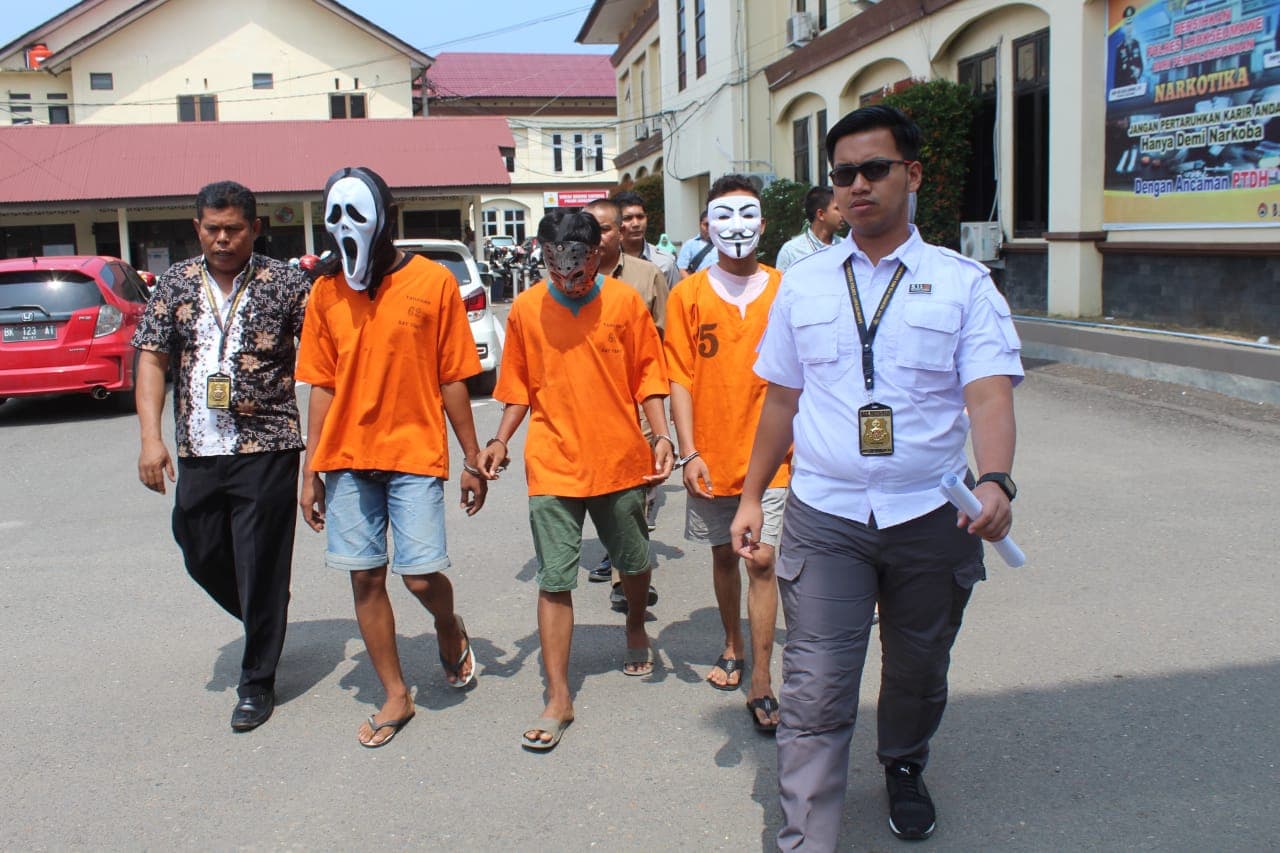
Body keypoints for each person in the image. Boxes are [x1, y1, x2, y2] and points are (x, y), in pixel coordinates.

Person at [729, 105, 1023, 847]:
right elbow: (782, 400)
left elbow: (988, 393)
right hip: (827, 514)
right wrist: (749, 495)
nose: (857, 186)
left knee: (918, 670)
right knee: (817, 685)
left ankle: (902, 763)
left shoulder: (962, 284)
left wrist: (996, 481)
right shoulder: (804, 285)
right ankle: (808, 837)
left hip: (933, 513)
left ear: (912, 174)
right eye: (842, 175)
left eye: (874, 169)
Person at [296, 166, 488, 748]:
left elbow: (454, 375)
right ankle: (396, 695)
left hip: (414, 451)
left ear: (385, 215)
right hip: (349, 458)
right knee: (365, 577)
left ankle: (449, 629)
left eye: (358, 212)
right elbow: (322, 385)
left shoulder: (432, 283)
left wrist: (473, 457)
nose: (345, 227)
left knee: (423, 577)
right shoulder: (326, 290)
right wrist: (311, 473)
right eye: (335, 215)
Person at [476, 209, 674, 752]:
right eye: (556, 266)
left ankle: (635, 623)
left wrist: (661, 437)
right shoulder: (525, 309)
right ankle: (558, 696)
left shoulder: (625, 303)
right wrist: (499, 441)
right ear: (542, 257)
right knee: (554, 576)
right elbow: (517, 384)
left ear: (597, 255)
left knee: (633, 563)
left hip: (617, 460)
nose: (570, 278)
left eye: (580, 266)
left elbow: (648, 378)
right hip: (554, 462)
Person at [133, 180, 310, 732]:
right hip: (199, 446)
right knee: (199, 545)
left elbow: (326, 358)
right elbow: (153, 360)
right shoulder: (175, 284)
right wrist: (150, 438)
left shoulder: (286, 284)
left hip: (268, 446)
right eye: (212, 229)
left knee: (259, 561)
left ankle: (256, 682)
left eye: (234, 229)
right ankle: (266, 615)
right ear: (197, 229)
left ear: (255, 229)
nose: (222, 239)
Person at [664, 174, 787, 733]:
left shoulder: (788, 289)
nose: (736, 226)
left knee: (761, 560)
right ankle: (733, 642)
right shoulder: (687, 294)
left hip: (777, 457)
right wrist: (689, 453)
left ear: (763, 224)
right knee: (723, 557)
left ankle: (762, 675)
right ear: (706, 226)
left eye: (747, 215)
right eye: (723, 215)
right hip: (713, 454)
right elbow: (680, 379)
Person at [583, 198, 668, 605]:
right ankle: (617, 552)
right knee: (598, 488)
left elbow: (664, 342)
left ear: (620, 232)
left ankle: (625, 577)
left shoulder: (648, 275)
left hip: (637, 405)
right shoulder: (570, 276)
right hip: (589, 407)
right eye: (591, 229)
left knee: (634, 493)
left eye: (604, 229)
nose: (598, 237)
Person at [613, 190, 681, 289]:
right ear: (617, 222)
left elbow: (674, 300)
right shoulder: (608, 260)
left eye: (640, 217)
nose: (636, 224)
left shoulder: (665, 262)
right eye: (628, 218)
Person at [774, 185, 844, 271]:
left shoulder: (845, 246)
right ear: (820, 214)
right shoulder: (791, 251)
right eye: (837, 208)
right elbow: (781, 283)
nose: (843, 214)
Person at [675, 210, 718, 277]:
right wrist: (693, 286)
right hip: (698, 285)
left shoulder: (723, 244)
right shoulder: (689, 245)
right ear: (700, 224)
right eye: (706, 224)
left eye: (712, 225)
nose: (709, 228)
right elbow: (682, 270)